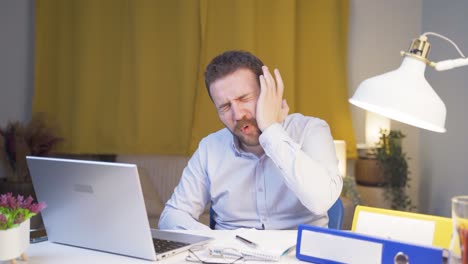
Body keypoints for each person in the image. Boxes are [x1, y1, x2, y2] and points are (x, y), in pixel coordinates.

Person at [158, 50, 342, 230]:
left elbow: (321, 200)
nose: (237, 115)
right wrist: (214, 241)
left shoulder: (312, 130)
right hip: (231, 256)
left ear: (268, 94)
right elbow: (172, 216)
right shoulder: (210, 148)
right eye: (224, 107)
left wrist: (271, 130)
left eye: (244, 99)